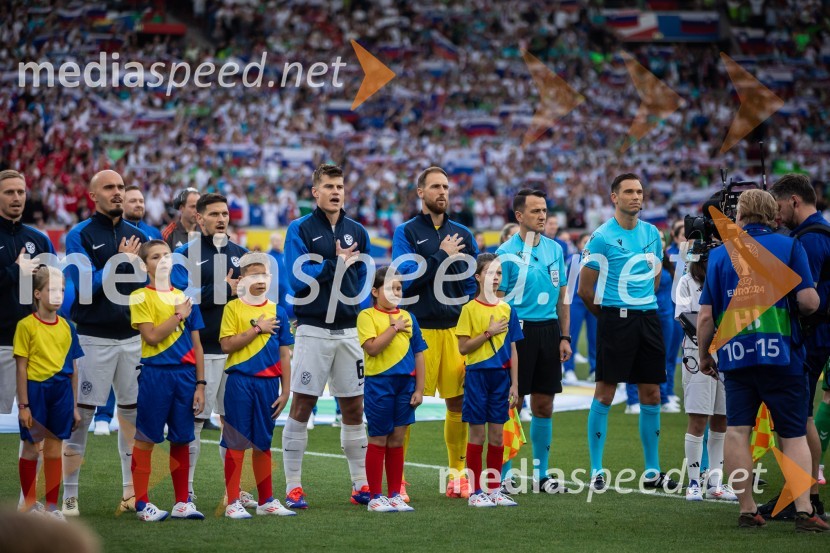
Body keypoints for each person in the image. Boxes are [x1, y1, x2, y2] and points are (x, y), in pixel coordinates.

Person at [697, 189, 827, 531]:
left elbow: (706, 316)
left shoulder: (722, 255)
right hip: (782, 354)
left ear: (740, 216)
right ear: (773, 214)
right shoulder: (789, 246)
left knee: (738, 431)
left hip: (736, 354)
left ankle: (747, 509)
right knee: (793, 433)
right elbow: (810, 301)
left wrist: (704, 354)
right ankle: (803, 510)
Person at [578, 173, 678, 491]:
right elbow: (584, 288)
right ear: (614, 197)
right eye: (629, 192)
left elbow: (657, 279)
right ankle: (596, 469)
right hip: (615, 321)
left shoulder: (653, 233)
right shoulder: (601, 237)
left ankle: (652, 471)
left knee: (651, 394)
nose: (636, 196)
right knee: (606, 393)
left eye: (640, 191)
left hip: (648, 319)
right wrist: (608, 316)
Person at [282, 164, 371, 509]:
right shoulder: (300, 229)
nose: (336, 192)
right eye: (329, 186)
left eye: (340, 186)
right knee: (303, 402)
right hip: (313, 329)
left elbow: (359, 277)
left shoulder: (357, 231)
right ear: (314, 192)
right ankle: (293, 486)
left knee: (353, 405)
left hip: (348, 330)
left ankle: (361, 484)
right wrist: (334, 264)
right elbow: (297, 278)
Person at [62, 170, 148, 516]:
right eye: (110, 188)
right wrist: (119, 262)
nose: (117, 193)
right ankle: (69, 496)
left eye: (121, 187)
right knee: (81, 416)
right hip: (92, 339)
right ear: (93, 196)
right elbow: (83, 287)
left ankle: (130, 493)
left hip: (133, 339)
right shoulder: (78, 235)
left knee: (131, 416)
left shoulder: (139, 235)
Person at [392, 166, 479, 499]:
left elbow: (471, 282)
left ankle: (457, 474)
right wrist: (442, 254)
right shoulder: (407, 232)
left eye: (446, 187)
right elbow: (406, 278)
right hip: (419, 332)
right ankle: (397, 477)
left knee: (457, 402)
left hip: (456, 331)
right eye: (435, 187)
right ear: (420, 192)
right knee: (408, 402)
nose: (443, 192)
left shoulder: (463, 234)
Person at [170, 193, 249, 505]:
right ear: (198, 218)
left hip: (235, 352)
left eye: (225, 214)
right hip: (201, 352)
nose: (221, 219)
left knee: (234, 421)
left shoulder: (241, 256)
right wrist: (221, 289)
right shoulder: (184, 255)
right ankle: (186, 489)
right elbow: (181, 301)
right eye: (214, 214)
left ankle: (235, 490)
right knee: (195, 422)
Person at [495, 189, 571, 493]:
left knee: (544, 403)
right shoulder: (505, 253)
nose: (542, 216)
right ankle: (505, 474)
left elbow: (563, 296)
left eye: (544, 211)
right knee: (512, 401)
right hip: (517, 332)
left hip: (549, 332)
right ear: (519, 216)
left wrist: (565, 336)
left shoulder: (555, 249)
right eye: (536, 211)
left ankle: (542, 476)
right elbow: (497, 299)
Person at [765, 174, 830, 519]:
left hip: (812, 336)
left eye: (778, 207)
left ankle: (802, 497)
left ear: (793, 201)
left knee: (799, 419)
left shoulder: (811, 240)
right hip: (817, 334)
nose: (776, 215)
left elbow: (809, 297)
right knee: (800, 417)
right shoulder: (816, 233)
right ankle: (803, 494)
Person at [128, 239, 206, 522]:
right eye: (156, 257)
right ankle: (141, 503)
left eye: (167, 256)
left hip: (185, 377)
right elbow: (150, 336)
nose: (163, 261)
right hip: (156, 373)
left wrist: (201, 385)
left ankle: (181, 502)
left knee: (182, 439)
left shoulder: (185, 298)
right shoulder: (139, 296)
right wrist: (177, 316)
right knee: (147, 437)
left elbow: (197, 346)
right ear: (144, 264)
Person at [218, 252, 295, 518]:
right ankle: (233, 502)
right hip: (239, 382)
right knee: (236, 441)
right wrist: (257, 329)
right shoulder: (232, 308)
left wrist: (286, 390)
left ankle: (266, 501)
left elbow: (285, 353)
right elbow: (226, 345)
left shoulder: (279, 311)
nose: (260, 280)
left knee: (263, 442)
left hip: (269, 386)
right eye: (254, 275)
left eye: (264, 275)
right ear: (241, 280)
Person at [0, 170, 55, 506]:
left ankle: (28, 501)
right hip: (1, 344)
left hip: (33, 346)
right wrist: (13, 272)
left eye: (20, 191)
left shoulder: (40, 239)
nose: (17, 197)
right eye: (9, 192)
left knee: (33, 427)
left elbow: (52, 289)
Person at [357, 266, 426, 512]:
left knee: (397, 440)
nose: (396, 292)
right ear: (375, 291)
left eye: (398, 288)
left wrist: (419, 388)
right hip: (379, 384)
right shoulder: (366, 316)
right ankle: (376, 496)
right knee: (378, 438)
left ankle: (395, 493)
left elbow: (419, 353)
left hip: (405, 385)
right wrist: (394, 327)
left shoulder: (409, 317)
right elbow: (373, 348)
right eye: (389, 288)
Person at [16, 266, 82, 520]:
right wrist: (24, 406)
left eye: (62, 290)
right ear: (37, 294)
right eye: (52, 290)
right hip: (36, 391)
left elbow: (74, 368)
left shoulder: (68, 327)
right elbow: (21, 367)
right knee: (32, 448)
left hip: (62, 392)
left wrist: (74, 406)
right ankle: (30, 505)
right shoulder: (26, 326)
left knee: (55, 449)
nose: (58, 295)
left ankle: (53, 508)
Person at [456, 253, 521, 507]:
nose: (496, 278)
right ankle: (474, 492)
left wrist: (515, 383)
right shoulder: (469, 310)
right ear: (478, 277)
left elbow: (514, 349)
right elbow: (464, 348)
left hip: (501, 379)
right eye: (491, 273)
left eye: (499, 273)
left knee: (497, 436)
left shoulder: (507, 309)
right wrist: (488, 333)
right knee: (477, 435)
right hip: (476, 377)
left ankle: (493, 490)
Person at [675, 249, 736, 501]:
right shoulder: (687, 281)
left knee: (722, 418)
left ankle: (715, 482)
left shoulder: (729, 278)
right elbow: (685, 317)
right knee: (699, 417)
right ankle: (693, 481)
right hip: (697, 350)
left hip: (729, 350)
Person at [563, 232, 597, 383]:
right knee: (571, 336)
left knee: (595, 337)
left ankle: (595, 369)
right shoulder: (572, 260)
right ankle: (568, 369)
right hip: (575, 302)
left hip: (593, 301)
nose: (587, 244)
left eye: (589, 241)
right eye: (584, 241)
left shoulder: (598, 260)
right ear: (578, 245)